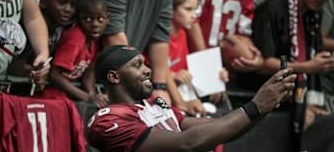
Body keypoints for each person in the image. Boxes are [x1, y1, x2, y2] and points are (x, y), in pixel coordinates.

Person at [85, 45, 296, 152]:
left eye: (146, 63)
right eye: (137, 65)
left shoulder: (153, 104)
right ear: (114, 76)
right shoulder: (107, 120)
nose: (148, 70)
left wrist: (266, 105)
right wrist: (255, 106)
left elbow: (217, 129)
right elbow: (188, 143)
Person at [250, 0, 334, 151]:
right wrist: (307, 67)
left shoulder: (315, 12)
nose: (321, 0)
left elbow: (313, 52)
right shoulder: (273, 8)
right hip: (267, 97)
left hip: (300, 97)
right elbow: (262, 63)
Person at [79, 0, 175, 106]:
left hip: (123, 75)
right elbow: (114, 38)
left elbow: (160, 38)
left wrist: (159, 87)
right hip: (84, 78)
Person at [7, 0, 77, 91]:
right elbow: (11, 65)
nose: (68, 9)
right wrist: (33, 70)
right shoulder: (26, 28)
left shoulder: (60, 30)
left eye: (72, 5)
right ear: (43, 3)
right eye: (62, 2)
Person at [50, 0, 110, 108]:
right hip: (54, 92)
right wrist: (87, 97)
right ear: (78, 18)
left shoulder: (95, 40)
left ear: (108, 19)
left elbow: (88, 73)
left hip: (71, 92)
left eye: (100, 19)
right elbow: (54, 75)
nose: (95, 24)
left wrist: (93, 95)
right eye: (87, 19)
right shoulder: (76, 38)